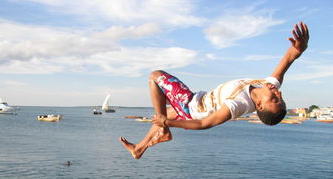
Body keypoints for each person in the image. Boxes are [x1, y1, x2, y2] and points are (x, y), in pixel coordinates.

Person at [120, 22, 309, 159]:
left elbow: (205, 124)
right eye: (280, 97)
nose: (278, 93)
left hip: (190, 108)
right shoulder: (269, 85)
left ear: (259, 105)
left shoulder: (238, 104)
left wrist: (167, 121)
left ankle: (163, 128)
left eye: (275, 99)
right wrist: (299, 48)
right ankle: (139, 149)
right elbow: (289, 59)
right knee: (167, 109)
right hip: (197, 99)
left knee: (155, 76)